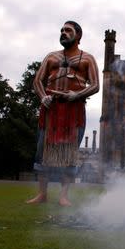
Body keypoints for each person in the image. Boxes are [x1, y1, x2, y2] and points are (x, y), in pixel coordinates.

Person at [26, 21, 99, 206]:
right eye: (62, 30)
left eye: (68, 30)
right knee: (43, 151)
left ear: (78, 35)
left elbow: (96, 85)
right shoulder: (51, 57)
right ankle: (42, 194)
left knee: (70, 153)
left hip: (74, 111)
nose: (63, 33)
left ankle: (63, 196)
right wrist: (43, 97)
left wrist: (78, 94)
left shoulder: (87, 59)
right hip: (51, 110)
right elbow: (37, 81)